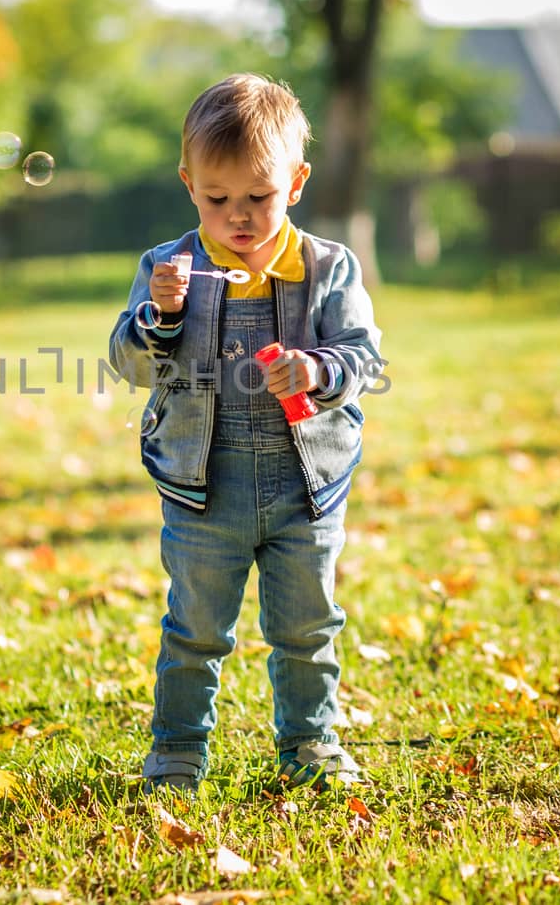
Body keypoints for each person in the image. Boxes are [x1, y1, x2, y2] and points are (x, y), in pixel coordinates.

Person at [108, 73, 384, 795]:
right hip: (206, 483)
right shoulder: (169, 269)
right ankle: (177, 749)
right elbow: (129, 362)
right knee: (196, 629)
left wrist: (319, 369)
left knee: (307, 626)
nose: (238, 216)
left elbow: (364, 356)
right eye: (217, 197)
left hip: (305, 484)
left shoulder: (327, 267)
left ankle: (309, 741)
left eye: (257, 197)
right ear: (188, 184)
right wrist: (158, 317)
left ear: (295, 182)